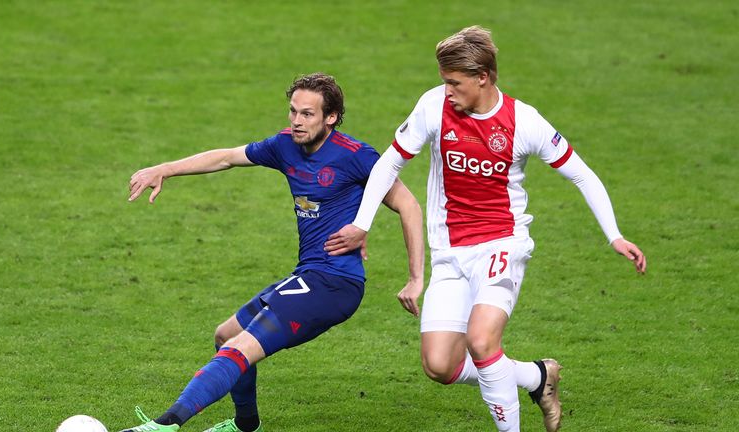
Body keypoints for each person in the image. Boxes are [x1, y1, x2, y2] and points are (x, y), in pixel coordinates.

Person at [325, 26, 647, 432]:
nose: (447, 91)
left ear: (483, 77)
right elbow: (389, 162)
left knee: (481, 342)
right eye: (444, 82)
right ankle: (536, 377)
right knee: (440, 365)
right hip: (449, 252)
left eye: (454, 83)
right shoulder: (433, 106)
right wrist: (361, 223)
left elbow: (582, 175)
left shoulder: (523, 121)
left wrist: (614, 235)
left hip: (502, 245)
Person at [122, 73, 424, 432]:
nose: (297, 121)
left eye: (308, 114)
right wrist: (165, 169)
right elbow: (228, 158)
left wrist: (415, 277)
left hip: (335, 284)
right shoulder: (284, 146)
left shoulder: (356, 157)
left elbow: (408, 205)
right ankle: (246, 425)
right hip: (308, 275)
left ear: (331, 117)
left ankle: (165, 425)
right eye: (293, 111)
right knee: (225, 336)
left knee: (239, 348)